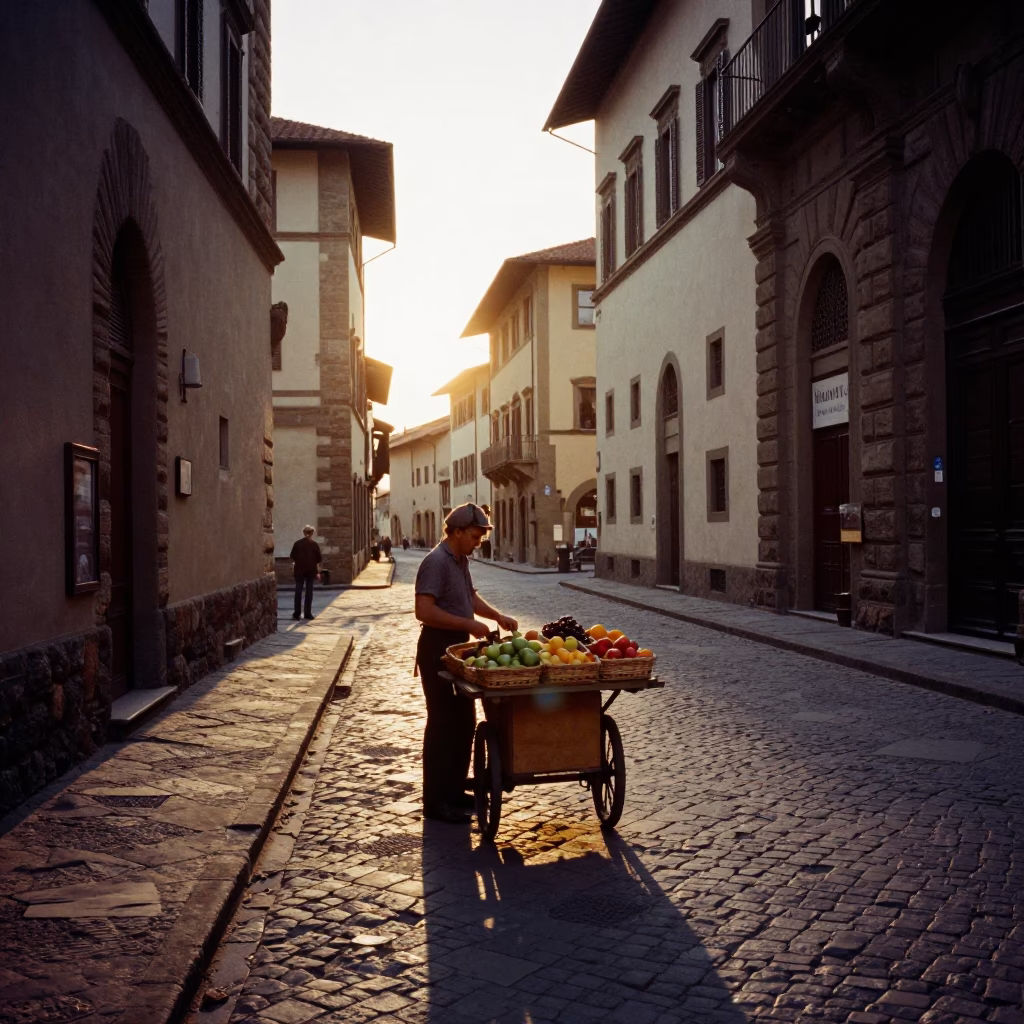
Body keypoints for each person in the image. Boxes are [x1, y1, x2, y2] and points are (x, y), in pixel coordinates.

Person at [414, 503, 517, 824]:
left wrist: (496, 615)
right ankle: (436, 801)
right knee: (442, 724)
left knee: (464, 722)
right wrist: (469, 625)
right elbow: (424, 611)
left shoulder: (460, 561)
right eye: (474, 536)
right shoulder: (435, 563)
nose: (478, 542)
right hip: (436, 649)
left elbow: (469, 597)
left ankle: (456, 791)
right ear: (456, 532)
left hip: (457, 650)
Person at [289, 526, 321, 621]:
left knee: (298, 590)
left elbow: (293, 557)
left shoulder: (297, 544)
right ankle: (308, 613)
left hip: (299, 570)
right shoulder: (314, 545)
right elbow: (317, 560)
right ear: (312, 533)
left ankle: (297, 613)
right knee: (309, 591)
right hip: (311, 570)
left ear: (304, 533)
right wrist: (318, 572)